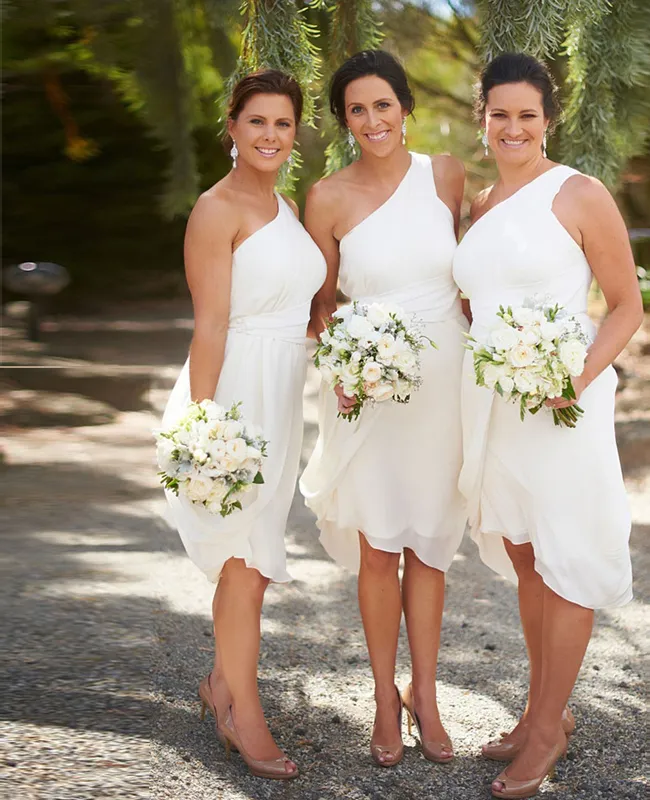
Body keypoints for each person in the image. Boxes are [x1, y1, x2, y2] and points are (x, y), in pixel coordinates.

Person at [453, 52, 643, 799]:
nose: (512, 126)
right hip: (498, 402)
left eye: (526, 114)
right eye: (498, 113)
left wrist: (571, 377)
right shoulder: (480, 205)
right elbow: (478, 301)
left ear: (547, 120)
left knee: (564, 561)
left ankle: (545, 729)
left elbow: (626, 306)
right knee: (528, 555)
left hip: (563, 402)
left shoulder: (580, 193)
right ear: (483, 119)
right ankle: (540, 716)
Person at [299, 50, 468, 767]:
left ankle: (423, 693)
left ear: (407, 108)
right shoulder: (327, 197)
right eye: (357, 110)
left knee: (430, 545)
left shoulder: (447, 175)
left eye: (384, 105)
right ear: (345, 121)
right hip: (368, 389)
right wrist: (343, 366)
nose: (373, 120)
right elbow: (320, 305)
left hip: (444, 380)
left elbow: (473, 273)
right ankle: (380, 697)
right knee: (379, 548)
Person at [160, 69, 325, 781]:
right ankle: (244, 715)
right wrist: (204, 427)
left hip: (285, 391)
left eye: (282, 124)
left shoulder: (287, 206)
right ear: (231, 128)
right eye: (256, 121)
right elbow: (211, 324)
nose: (269, 135)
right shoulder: (215, 208)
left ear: (294, 134)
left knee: (258, 553)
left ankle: (221, 682)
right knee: (244, 558)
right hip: (236, 393)